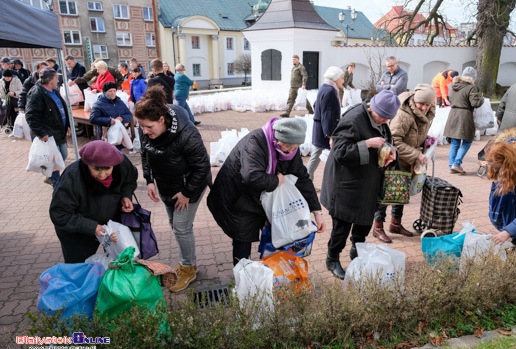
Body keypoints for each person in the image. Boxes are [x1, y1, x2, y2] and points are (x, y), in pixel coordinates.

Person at [207, 117, 326, 266]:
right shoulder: (255, 142)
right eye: (288, 147)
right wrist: (276, 181)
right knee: (243, 237)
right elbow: (251, 176)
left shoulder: (290, 148)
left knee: (273, 234)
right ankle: (243, 276)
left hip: (260, 197)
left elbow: (302, 178)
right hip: (238, 197)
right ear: (278, 140)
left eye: (295, 148)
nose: (291, 151)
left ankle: (267, 273)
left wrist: (317, 212)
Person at [134, 85, 210, 293]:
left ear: (162, 120)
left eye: (149, 127)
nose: (145, 131)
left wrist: (187, 193)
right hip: (166, 183)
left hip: (189, 184)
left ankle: (188, 268)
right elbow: (145, 153)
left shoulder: (188, 134)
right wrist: (149, 179)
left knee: (182, 226)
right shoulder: (146, 128)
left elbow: (202, 167)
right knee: (175, 225)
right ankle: (187, 261)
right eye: (142, 127)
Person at [320, 90, 400, 279]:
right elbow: (339, 151)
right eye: (382, 117)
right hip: (346, 184)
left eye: (388, 119)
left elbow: (385, 139)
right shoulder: (354, 119)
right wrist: (367, 144)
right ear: (373, 107)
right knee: (342, 225)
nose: (384, 122)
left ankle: (358, 251)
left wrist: (390, 151)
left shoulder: (380, 120)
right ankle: (332, 258)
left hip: (368, 183)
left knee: (364, 222)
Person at [49, 140, 138, 263]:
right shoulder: (72, 176)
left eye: (107, 169)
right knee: (79, 267)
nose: (102, 175)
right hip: (78, 232)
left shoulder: (122, 164)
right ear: (87, 164)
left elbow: (130, 181)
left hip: (110, 224)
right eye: (96, 169)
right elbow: (59, 213)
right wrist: (91, 226)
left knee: (118, 262)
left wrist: (126, 196)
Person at [373, 84, 436, 243]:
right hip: (394, 161)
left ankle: (396, 224)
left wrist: (426, 142)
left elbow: (415, 134)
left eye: (427, 104)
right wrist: (416, 153)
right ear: (415, 100)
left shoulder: (427, 113)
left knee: (402, 193)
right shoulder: (404, 114)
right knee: (387, 194)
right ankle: (377, 227)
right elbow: (394, 141)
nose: (424, 107)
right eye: (421, 103)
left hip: (409, 162)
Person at [25, 67, 69, 187]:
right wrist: (41, 133)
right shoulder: (36, 93)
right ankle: (55, 182)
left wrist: (67, 125)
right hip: (48, 133)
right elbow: (31, 116)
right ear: (50, 80)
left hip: (59, 131)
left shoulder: (54, 91)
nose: (58, 80)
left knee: (63, 155)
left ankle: (50, 177)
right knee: (54, 159)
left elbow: (62, 109)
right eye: (56, 78)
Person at [443, 67, 485, 174]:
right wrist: (482, 99)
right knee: (467, 141)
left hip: (453, 115)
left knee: (455, 143)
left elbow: (451, 100)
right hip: (464, 116)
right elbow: (475, 103)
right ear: (473, 78)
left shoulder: (454, 86)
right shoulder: (471, 88)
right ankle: (456, 164)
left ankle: (451, 165)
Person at [307, 66, 344, 182]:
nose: (343, 80)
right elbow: (327, 115)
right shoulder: (330, 91)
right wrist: (330, 135)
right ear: (335, 78)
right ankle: (306, 182)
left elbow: (316, 105)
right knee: (316, 157)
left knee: (316, 156)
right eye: (342, 78)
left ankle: (307, 181)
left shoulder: (324, 87)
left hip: (320, 127)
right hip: (325, 129)